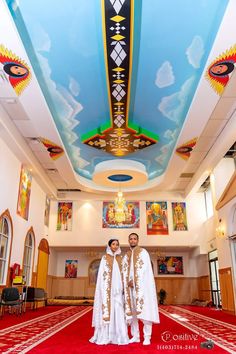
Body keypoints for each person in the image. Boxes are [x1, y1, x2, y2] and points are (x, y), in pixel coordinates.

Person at [89, 239, 129, 345]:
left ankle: (119, 336)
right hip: (108, 290)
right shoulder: (105, 258)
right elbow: (102, 275)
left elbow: (124, 273)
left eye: (117, 244)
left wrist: (124, 286)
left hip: (119, 290)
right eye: (113, 244)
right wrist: (104, 288)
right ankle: (106, 335)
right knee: (108, 310)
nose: (115, 246)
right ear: (109, 245)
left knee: (119, 310)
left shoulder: (121, 258)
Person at [123, 233, 159, 345]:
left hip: (142, 288)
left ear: (138, 240)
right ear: (128, 241)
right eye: (131, 239)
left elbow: (145, 270)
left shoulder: (143, 252)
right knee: (133, 313)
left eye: (135, 239)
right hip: (130, 289)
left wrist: (134, 281)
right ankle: (135, 336)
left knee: (145, 310)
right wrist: (127, 282)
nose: (133, 241)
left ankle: (147, 336)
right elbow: (123, 271)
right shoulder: (127, 255)